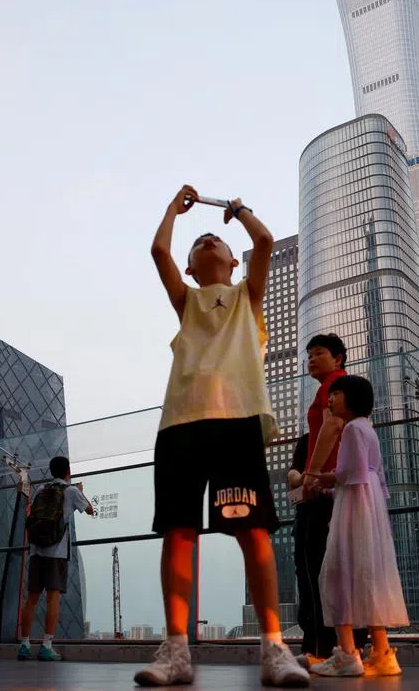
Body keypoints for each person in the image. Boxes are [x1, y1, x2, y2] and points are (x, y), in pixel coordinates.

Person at [135, 185, 308, 687]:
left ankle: (274, 647)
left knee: (253, 531)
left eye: (216, 240)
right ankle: (176, 649)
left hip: (238, 422)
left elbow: (267, 240)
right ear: (190, 268)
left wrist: (239, 211)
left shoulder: (246, 298)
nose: (207, 240)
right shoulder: (186, 300)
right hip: (181, 424)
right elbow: (158, 251)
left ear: (234, 261)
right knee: (179, 532)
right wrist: (173, 208)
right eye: (198, 243)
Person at [307, 375, 407, 677]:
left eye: (336, 395)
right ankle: (382, 653)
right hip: (369, 502)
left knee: (337, 572)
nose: (330, 400)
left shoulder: (350, 428)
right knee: (368, 574)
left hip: (354, 508)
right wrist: (331, 486)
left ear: (351, 399)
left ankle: (348, 654)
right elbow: (364, 474)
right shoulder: (368, 429)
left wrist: (313, 477)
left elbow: (345, 473)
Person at [286, 333, 366, 668]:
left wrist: (312, 476)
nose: (312, 359)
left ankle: (325, 649)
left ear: (339, 358)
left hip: (326, 492)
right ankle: (328, 646)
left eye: (319, 353)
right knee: (324, 569)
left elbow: (332, 426)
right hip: (329, 490)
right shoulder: (328, 390)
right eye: (309, 355)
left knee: (319, 569)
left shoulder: (337, 385)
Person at [17, 455, 94, 661]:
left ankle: (24, 645)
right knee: (53, 598)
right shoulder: (71, 491)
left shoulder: (42, 491)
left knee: (31, 599)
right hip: (56, 552)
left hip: (35, 551)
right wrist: (80, 491)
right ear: (68, 471)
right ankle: (46, 645)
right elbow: (90, 510)